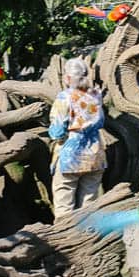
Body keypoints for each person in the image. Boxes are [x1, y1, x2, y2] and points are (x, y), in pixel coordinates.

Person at [48, 58, 106, 219]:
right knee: (89, 206)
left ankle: (65, 241)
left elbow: (57, 131)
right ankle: (89, 239)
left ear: (67, 78)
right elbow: (101, 122)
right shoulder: (95, 96)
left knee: (64, 208)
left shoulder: (64, 97)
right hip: (95, 155)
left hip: (69, 157)